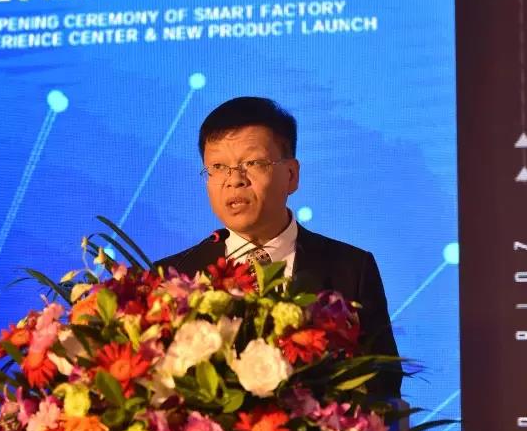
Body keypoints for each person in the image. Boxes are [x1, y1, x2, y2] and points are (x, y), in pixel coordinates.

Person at [156, 97, 402, 399]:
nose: (234, 181)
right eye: (218, 167)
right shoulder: (174, 277)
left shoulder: (351, 268)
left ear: (291, 175)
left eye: (252, 164)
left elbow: (384, 386)